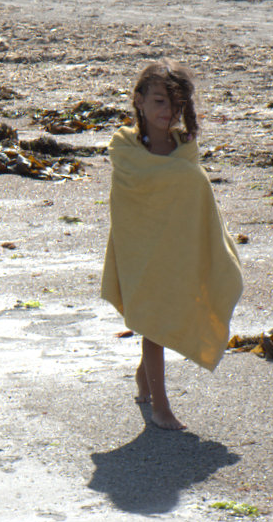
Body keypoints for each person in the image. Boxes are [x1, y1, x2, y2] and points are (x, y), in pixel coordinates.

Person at [101, 60, 243, 430]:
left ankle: (143, 376)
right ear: (139, 100)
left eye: (176, 104)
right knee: (153, 322)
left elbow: (195, 201)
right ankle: (160, 408)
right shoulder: (126, 152)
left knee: (163, 317)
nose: (168, 111)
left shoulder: (185, 150)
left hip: (177, 250)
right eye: (160, 101)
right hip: (139, 251)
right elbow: (128, 208)